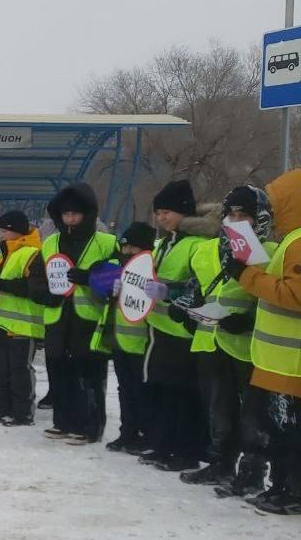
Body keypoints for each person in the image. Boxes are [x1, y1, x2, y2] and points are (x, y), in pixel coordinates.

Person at [176, 187, 276, 487]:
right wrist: (187, 309)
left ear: (259, 218)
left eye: (242, 214)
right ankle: (220, 463)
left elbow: (275, 300)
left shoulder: (270, 253)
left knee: (252, 415)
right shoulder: (210, 249)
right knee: (219, 409)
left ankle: (252, 472)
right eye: (230, 214)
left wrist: (248, 320)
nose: (235, 220)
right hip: (210, 339)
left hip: (248, 346)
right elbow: (196, 288)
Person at [218, 170, 301, 514]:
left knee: (289, 434)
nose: (269, 206)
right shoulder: (291, 240)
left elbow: (295, 295)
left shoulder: (297, 242)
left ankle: (291, 491)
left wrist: (247, 275)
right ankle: (282, 486)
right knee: (280, 431)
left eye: (275, 200)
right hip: (275, 360)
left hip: (289, 362)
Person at [34, 183, 118, 445]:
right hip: (58, 317)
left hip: (89, 318)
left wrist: (89, 278)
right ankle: (63, 421)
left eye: (75, 214)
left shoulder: (106, 242)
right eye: (65, 214)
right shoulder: (51, 243)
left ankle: (90, 426)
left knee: (89, 375)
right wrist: (48, 294)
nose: (69, 219)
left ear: (88, 213)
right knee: (58, 370)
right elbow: (36, 277)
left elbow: (117, 277)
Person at [141, 179, 213, 471]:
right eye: (158, 213)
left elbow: (201, 286)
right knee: (162, 391)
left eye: (167, 212)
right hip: (159, 330)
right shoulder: (162, 243)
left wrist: (169, 293)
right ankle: (162, 444)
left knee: (184, 394)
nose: (161, 218)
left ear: (184, 211)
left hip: (183, 333)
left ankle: (187, 451)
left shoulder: (198, 245)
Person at [91, 222, 157, 455]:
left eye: (133, 248)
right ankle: (127, 431)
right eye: (125, 247)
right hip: (121, 339)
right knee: (125, 389)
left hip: (142, 343)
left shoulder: (149, 271)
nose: (127, 252)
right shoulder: (120, 270)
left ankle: (143, 434)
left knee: (141, 390)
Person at [0, 210, 45, 426]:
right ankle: (3, 408)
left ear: (15, 231)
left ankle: (23, 412)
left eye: (3, 230)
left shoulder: (32, 254)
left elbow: (33, 288)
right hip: (1, 321)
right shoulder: (3, 253)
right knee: (1, 369)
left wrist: (2, 285)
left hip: (23, 324)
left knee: (20, 370)